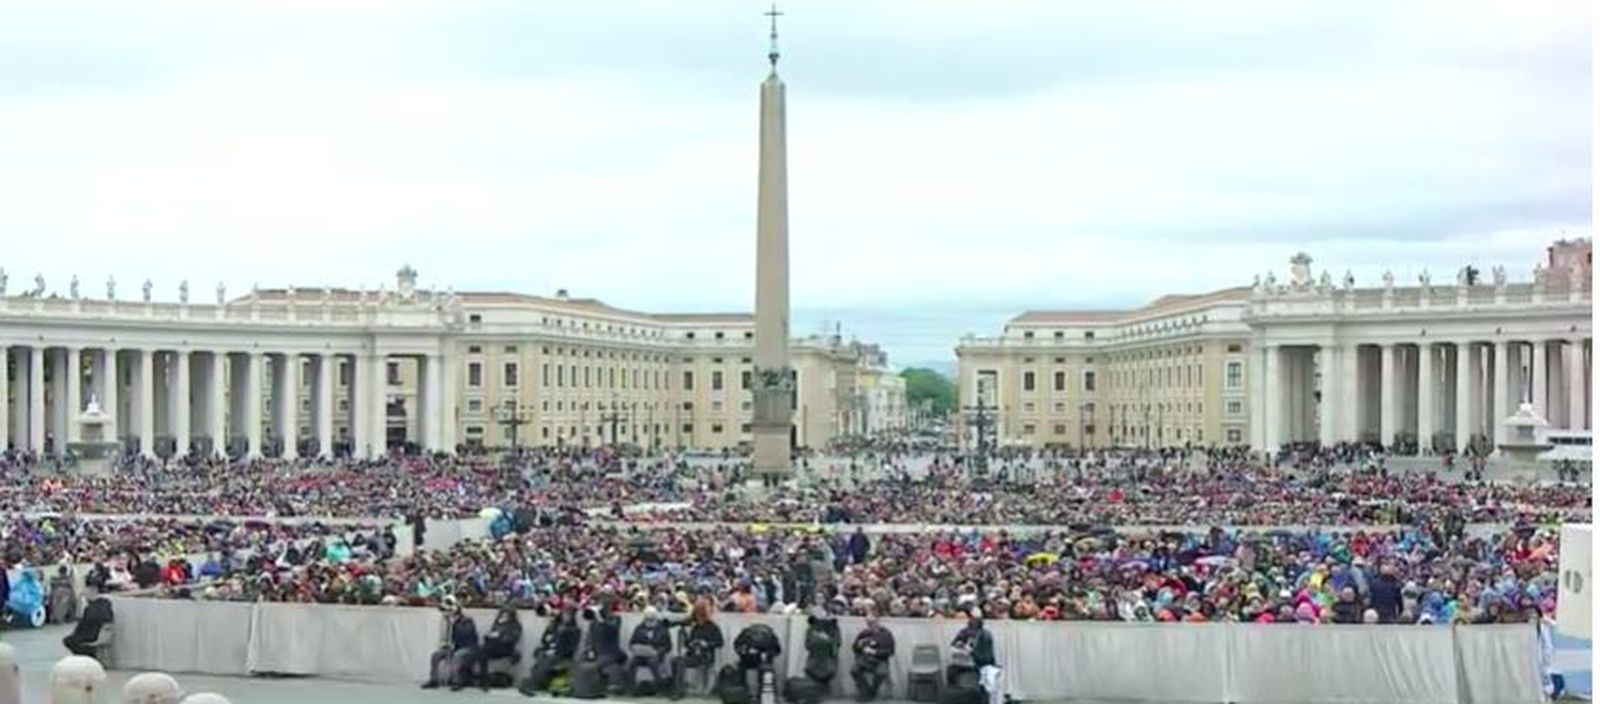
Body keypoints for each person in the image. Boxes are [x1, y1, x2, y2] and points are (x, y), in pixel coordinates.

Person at [670, 598, 724, 700]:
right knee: (674, 661)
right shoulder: (696, 627)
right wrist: (688, 639)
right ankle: (676, 687)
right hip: (693, 654)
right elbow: (688, 644)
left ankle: (678, 692)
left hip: (705, 656)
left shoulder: (712, 627)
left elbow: (720, 642)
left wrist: (706, 644)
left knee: (680, 662)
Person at [421, 596, 479, 690]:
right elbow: (447, 637)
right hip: (454, 647)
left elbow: (467, 636)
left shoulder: (467, 620)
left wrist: (454, 624)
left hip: (468, 647)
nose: (445, 613)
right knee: (436, 655)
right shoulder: (447, 621)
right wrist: (446, 644)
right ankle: (434, 680)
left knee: (457, 656)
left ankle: (458, 681)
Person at [521, 607, 582, 694]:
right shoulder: (556, 628)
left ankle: (533, 685)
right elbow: (546, 641)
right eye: (564, 615)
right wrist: (549, 630)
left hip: (562, 655)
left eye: (568, 615)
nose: (565, 617)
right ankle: (534, 683)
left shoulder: (574, 630)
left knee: (546, 663)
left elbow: (571, 648)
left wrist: (556, 651)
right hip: (551, 652)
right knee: (540, 662)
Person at [470, 606, 523, 690]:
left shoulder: (515, 625)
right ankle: (484, 680)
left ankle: (483, 680)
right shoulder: (497, 623)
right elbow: (489, 635)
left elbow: (513, 638)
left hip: (506, 648)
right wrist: (489, 636)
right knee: (482, 654)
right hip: (493, 647)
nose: (504, 616)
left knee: (483, 651)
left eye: (507, 615)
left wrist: (500, 636)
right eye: (503, 614)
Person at [952, 612, 1000, 704]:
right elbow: (954, 643)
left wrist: (971, 651)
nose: (970, 633)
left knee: (985, 682)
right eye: (969, 629)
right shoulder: (965, 632)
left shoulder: (986, 636)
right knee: (951, 671)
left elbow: (985, 658)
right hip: (965, 661)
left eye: (973, 630)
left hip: (982, 663)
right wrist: (959, 645)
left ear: (978, 629)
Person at [626, 607, 673, 694]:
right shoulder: (639, 628)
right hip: (641, 654)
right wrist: (636, 648)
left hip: (656, 653)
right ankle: (631, 687)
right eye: (647, 617)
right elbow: (632, 642)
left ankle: (659, 686)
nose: (649, 620)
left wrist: (658, 651)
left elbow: (668, 645)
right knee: (630, 663)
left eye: (651, 617)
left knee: (652, 661)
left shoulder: (662, 628)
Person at [850, 614, 895, 701]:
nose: (870, 625)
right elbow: (854, 648)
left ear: (878, 621)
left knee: (880, 673)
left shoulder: (886, 634)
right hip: (865, 659)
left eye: (872, 622)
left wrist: (875, 652)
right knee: (854, 670)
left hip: (880, 660)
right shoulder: (864, 633)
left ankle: (872, 691)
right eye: (868, 623)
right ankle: (866, 691)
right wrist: (859, 645)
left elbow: (890, 651)